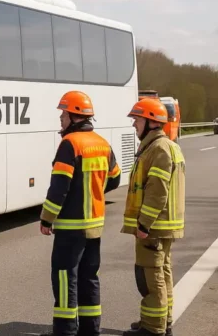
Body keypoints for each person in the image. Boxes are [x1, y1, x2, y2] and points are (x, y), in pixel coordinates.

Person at [40, 91, 122, 336]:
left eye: (63, 114)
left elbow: (59, 188)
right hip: (94, 226)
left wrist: (47, 218)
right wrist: (93, 189)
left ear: (75, 116)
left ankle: (65, 331)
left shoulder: (70, 144)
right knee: (89, 278)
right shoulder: (102, 143)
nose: (61, 119)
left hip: (70, 228)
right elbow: (115, 179)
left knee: (66, 279)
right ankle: (90, 330)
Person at [121, 99, 185, 336]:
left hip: (155, 226)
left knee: (151, 277)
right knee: (162, 273)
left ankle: (153, 328)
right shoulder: (166, 146)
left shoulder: (158, 149)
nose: (134, 125)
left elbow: (157, 191)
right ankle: (162, 321)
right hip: (163, 225)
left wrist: (144, 224)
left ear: (150, 121)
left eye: (137, 120)